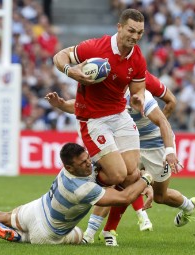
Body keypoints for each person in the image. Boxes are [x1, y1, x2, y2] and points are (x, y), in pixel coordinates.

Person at [45, 71, 195, 246]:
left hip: (156, 145)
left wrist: (169, 151)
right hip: (131, 141)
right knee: (119, 178)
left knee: (160, 196)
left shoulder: (141, 96)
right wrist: (61, 104)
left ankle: (188, 206)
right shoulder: (106, 95)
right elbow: (81, 106)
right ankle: (96, 233)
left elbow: (163, 121)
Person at [0, 143, 154, 244]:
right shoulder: (82, 188)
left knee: (1, 215)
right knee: (79, 237)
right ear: (69, 167)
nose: (89, 165)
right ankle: (20, 237)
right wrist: (146, 179)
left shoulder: (68, 169)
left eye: (88, 159)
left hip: (36, 209)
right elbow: (124, 197)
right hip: (49, 233)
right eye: (83, 163)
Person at [52, 8, 147, 191]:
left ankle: (96, 204)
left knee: (132, 174)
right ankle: (77, 186)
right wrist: (69, 71)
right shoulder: (95, 47)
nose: (135, 36)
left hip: (120, 115)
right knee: (117, 175)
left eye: (140, 32)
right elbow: (60, 57)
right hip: (94, 119)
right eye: (131, 30)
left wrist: (139, 99)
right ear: (119, 27)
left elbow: (139, 89)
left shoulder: (138, 58)